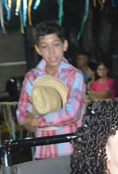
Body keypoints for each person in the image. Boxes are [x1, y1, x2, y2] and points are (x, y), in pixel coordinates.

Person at [17, 21, 86, 159]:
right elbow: (22, 112)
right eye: (44, 46)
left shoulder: (74, 75)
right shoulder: (32, 77)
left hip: (71, 151)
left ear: (64, 45)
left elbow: (72, 113)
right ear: (38, 49)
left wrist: (38, 122)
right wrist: (27, 122)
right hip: (42, 151)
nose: (51, 52)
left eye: (56, 45)